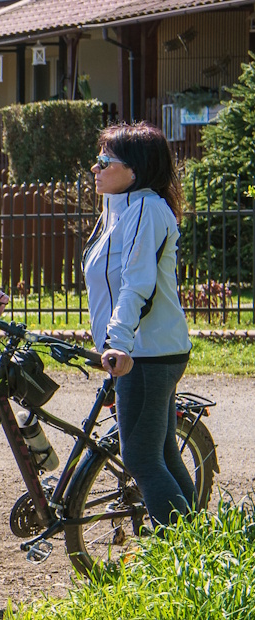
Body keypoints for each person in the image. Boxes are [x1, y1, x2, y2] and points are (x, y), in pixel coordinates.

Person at [85, 122, 196, 529]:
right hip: (148, 349)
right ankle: (197, 539)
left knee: (142, 458)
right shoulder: (122, 210)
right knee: (161, 454)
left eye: (104, 161)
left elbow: (137, 285)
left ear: (136, 169)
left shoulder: (145, 210)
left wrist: (118, 342)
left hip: (144, 354)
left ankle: (181, 553)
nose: (95, 169)